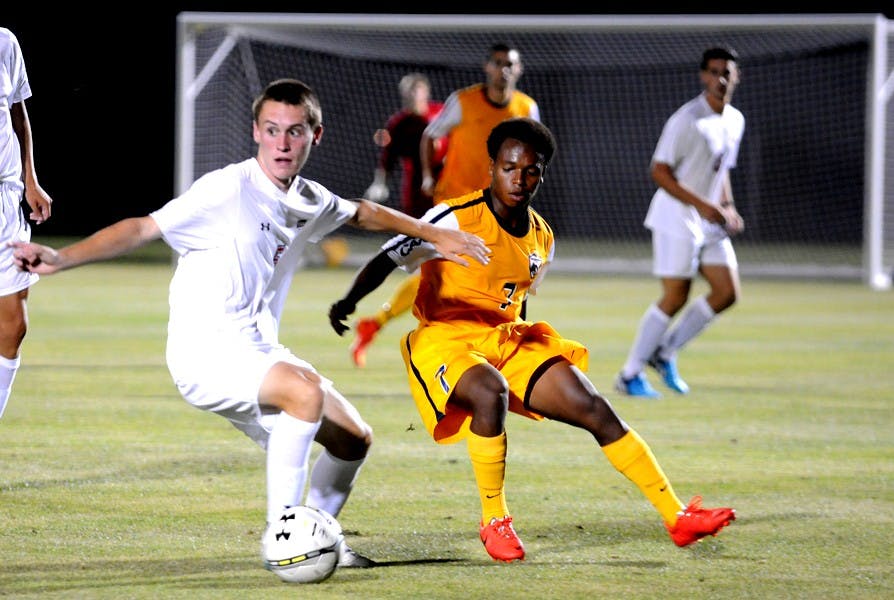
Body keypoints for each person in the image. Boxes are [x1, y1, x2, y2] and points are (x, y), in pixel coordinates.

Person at [8, 78, 488, 571]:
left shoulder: (308, 197)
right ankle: (285, 539)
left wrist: (431, 232)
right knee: (305, 393)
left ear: (315, 136)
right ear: (256, 132)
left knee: (353, 439)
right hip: (205, 354)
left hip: (256, 350)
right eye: (272, 130)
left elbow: (361, 212)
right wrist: (61, 259)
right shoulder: (225, 189)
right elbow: (144, 228)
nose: (282, 143)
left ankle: (320, 540)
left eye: (295, 132)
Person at [329, 118, 735, 563]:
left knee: (594, 408)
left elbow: (516, 302)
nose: (519, 180)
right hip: (445, 339)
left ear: (542, 174)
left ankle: (677, 517)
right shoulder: (454, 216)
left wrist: (532, 367)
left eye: (531, 172)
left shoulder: (543, 237)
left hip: (506, 339)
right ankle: (494, 520)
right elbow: (389, 256)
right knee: (489, 391)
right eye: (510, 168)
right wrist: (348, 301)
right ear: (492, 168)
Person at [350, 42, 540, 368]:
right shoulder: (459, 103)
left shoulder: (526, 107)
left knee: (446, 275)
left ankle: (381, 325)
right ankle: (492, 349)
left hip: (494, 208)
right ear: (487, 67)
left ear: (519, 69)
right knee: (450, 273)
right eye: (497, 63)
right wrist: (423, 176)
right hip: (454, 202)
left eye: (509, 64)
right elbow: (425, 138)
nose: (504, 70)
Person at [615, 47, 746, 398]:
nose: (720, 79)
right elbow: (659, 171)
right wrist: (705, 206)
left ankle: (665, 351)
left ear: (737, 77)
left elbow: (722, 170)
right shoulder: (686, 119)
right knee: (675, 296)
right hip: (677, 217)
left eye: (726, 72)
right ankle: (629, 374)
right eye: (714, 72)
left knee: (727, 292)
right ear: (703, 76)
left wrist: (728, 206)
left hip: (709, 219)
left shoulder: (735, 120)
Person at [350, 73, 447, 367]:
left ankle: (374, 325)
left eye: (417, 93)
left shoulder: (441, 113)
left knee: (436, 274)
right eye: (409, 94)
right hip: (421, 204)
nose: (414, 99)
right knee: (435, 273)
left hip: (451, 198)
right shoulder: (401, 124)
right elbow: (387, 159)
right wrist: (380, 182)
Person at [0, 27, 53, 420]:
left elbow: (18, 113)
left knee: (13, 325)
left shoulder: (5, 42)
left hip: (5, 198)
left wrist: (30, 179)